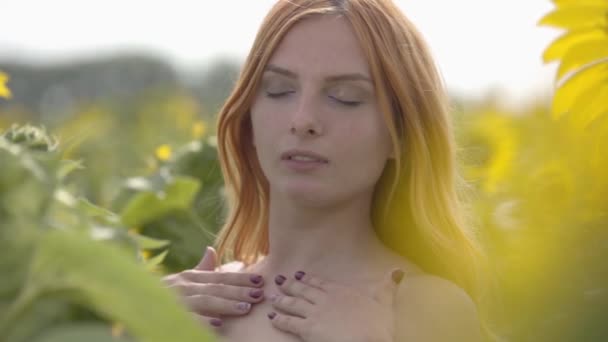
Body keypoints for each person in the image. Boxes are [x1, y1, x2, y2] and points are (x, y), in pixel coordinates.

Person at [164, 0, 487, 340]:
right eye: (280, 90)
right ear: (248, 122)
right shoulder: (202, 303)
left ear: (401, 136)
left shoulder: (427, 309)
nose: (303, 120)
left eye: (346, 97)